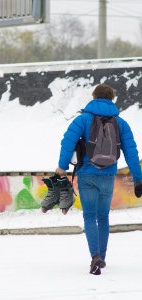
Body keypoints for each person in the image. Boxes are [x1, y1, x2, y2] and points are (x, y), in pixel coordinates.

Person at [55, 84, 142, 275]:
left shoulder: (83, 119)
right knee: (103, 217)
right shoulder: (121, 124)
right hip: (108, 176)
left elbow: (67, 142)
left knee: (89, 216)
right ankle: (102, 256)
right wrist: (138, 179)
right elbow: (131, 152)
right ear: (112, 99)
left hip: (87, 175)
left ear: (94, 96)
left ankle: (95, 256)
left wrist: (62, 167)